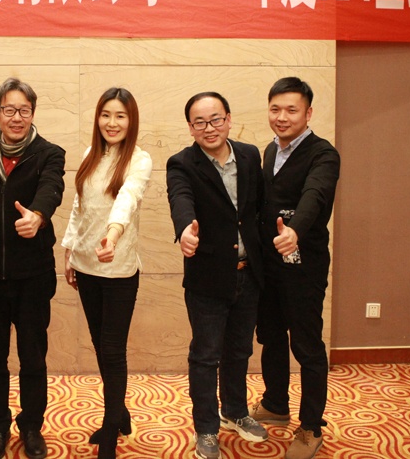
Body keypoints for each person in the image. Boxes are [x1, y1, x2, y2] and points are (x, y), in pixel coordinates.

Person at [0, 78, 66, 459]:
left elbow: (52, 188)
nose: (17, 118)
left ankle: (31, 427)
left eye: (24, 110)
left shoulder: (49, 154)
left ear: (33, 113)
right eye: (9, 110)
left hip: (33, 277)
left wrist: (38, 216)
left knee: (33, 357)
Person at [166, 91, 267, 459]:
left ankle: (235, 411)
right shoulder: (182, 163)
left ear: (228, 119)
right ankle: (206, 429)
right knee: (206, 356)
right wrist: (185, 229)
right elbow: (180, 199)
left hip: (248, 273)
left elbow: (257, 209)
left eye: (215, 119)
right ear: (190, 127)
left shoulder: (249, 155)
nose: (209, 128)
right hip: (207, 276)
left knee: (240, 350)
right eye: (200, 122)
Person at [61, 88, 153, 459]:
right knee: (101, 346)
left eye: (120, 116)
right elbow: (79, 206)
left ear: (131, 121)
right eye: (106, 115)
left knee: (113, 351)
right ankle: (121, 413)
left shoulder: (139, 160)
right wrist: (70, 250)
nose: (112, 123)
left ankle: (111, 430)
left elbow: (127, 201)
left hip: (118, 268)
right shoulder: (90, 154)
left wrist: (112, 236)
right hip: (86, 265)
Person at [252, 77, 340, 459]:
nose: (282, 117)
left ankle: (311, 426)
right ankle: (275, 402)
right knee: (271, 335)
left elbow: (314, 196)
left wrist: (295, 231)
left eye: (291, 110)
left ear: (308, 113)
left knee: (306, 345)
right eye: (276, 109)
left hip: (303, 265)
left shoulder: (324, 154)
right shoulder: (270, 150)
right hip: (269, 264)